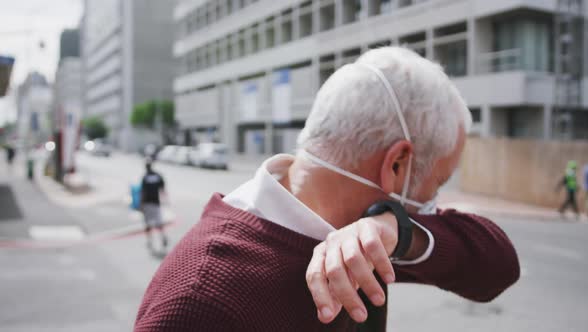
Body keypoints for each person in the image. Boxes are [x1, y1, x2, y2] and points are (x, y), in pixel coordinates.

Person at [135, 47, 519, 331]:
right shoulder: (198, 300)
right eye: (436, 183)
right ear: (397, 164)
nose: (434, 203)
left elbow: (497, 268)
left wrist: (397, 233)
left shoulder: (362, 240)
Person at [140, 160, 168, 251]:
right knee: (159, 222)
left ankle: (149, 240)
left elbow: (143, 192)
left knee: (148, 224)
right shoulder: (158, 176)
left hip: (147, 203)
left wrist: (141, 204)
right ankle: (163, 236)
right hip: (156, 203)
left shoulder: (145, 177)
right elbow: (163, 188)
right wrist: (165, 199)